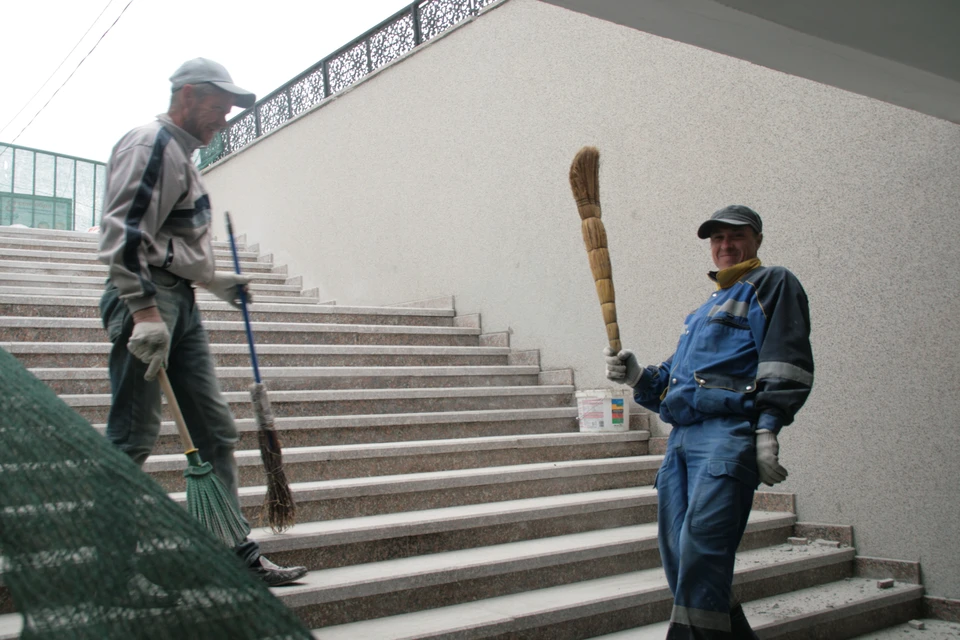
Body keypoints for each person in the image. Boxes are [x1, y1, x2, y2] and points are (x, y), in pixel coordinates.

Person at [98, 57, 307, 589]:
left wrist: (213, 280)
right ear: (187, 95)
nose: (224, 118)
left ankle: (231, 556)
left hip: (179, 301)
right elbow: (124, 234)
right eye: (219, 106)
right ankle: (113, 575)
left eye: (230, 110)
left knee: (215, 431)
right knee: (132, 435)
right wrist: (143, 313)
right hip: (147, 301)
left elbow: (171, 240)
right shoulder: (152, 145)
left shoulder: (183, 156)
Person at [605, 205, 814, 639]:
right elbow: (673, 387)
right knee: (678, 555)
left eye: (734, 236)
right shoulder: (704, 311)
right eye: (716, 239)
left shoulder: (772, 283)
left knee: (701, 551)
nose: (725, 246)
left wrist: (767, 429)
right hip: (680, 441)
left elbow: (787, 361)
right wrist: (639, 377)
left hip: (725, 436)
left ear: (756, 239)